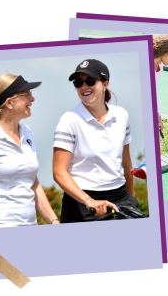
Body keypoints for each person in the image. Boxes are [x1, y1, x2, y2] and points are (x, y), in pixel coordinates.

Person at [53, 59, 137, 223]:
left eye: (90, 81)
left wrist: (131, 199)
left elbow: (126, 164)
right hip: (82, 203)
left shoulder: (121, 115)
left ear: (105, 83)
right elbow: (59, 173)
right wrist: (89, 201)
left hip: (121, 197)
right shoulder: (68, 120)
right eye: (78, 82)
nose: (84, 86)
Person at [0, 74, 59, 227]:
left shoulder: (27, 132)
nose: (32, 99)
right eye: (27, 95)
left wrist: (54, 222)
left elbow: (33, 184)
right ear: (9, 103)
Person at [131, 35, 168, 179]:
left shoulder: (159, 67)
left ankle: (144, 167)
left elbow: (152, 92)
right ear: (165, 50)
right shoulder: (143, 62)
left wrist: (158, 117)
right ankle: (141, 166)